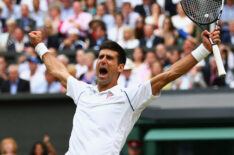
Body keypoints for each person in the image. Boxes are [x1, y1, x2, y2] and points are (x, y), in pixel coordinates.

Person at [28, 26, 221, 154]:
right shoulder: (83, 91)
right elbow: (58, 70)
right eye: (101, 57)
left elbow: (168, 75)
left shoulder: (130, 96)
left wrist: (203, 49)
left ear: (121, 67)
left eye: (109, 58)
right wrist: (40, 46)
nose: (103, 60)